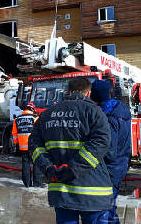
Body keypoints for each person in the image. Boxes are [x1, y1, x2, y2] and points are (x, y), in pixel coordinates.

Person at [30, 77, 113, 224]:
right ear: (88, 93)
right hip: (93, 192)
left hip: (61, 191)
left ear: (66, 91)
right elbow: (101, 142)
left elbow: (34, 145)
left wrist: (48, 168)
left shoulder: (46, 114)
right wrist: (73, 169)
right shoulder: (94, 111)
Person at [91, 80, 131, 224]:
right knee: (110, 208)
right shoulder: (120, 109)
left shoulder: (108, 117)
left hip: (110, 169)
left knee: (102, 212)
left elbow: (109, 151)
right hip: (120, 164)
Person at [12, 103, 42, 187]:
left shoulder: (17, 119)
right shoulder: (35, 118)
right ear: (32, 109)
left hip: (23, 147)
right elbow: (39, 132)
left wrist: (16, 143)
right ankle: (37, 184)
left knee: (25, 164)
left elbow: (14, 133)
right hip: (34, 146)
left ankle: (27, 184)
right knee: (36, 164)